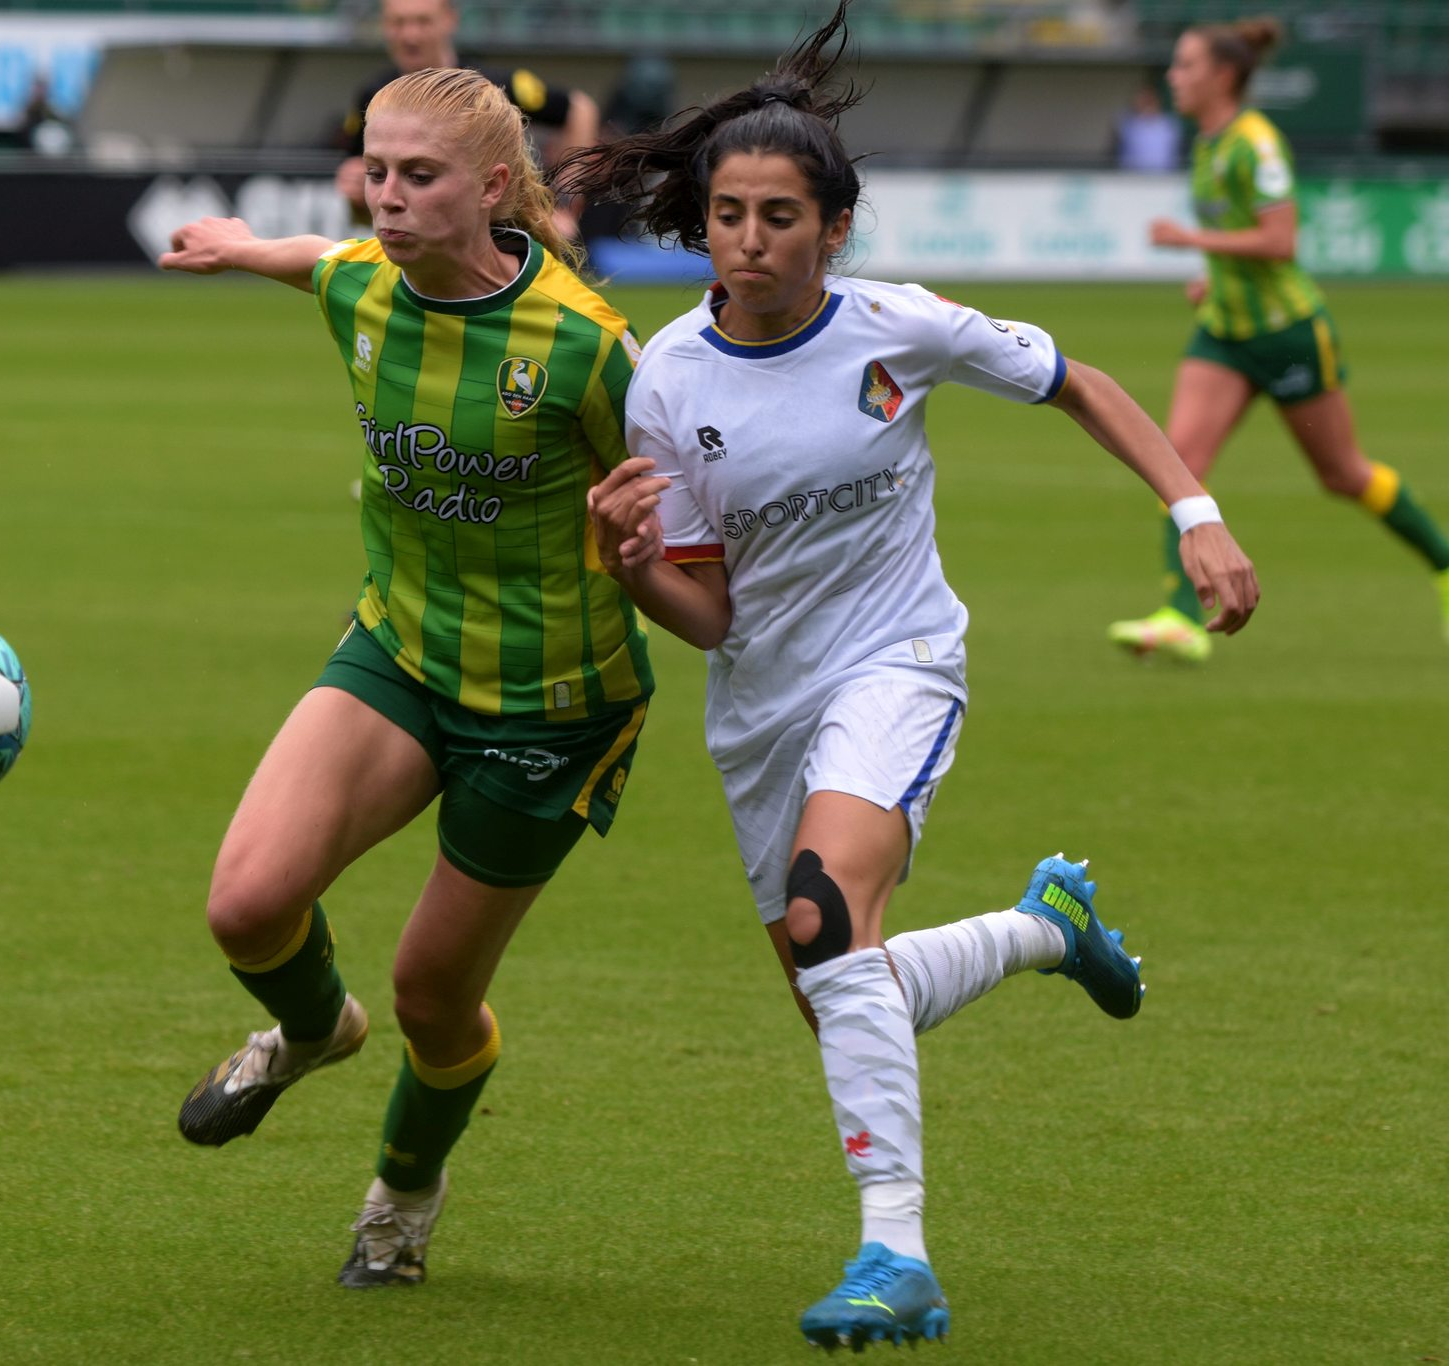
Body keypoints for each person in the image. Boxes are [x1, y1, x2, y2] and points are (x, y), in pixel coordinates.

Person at [560, 2, 1259, 1348]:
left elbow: (1081, 382)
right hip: (758, 703)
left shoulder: (899, 327)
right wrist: (625, 558)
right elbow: (703, 617)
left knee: (830, 926)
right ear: (700, 221)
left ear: (834, 225)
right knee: (844, 985)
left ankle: (896, 1255)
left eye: (779, 216)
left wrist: (1197, 516)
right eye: (727, 215)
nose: (750, 241)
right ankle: (1048, 928)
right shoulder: (666, 382)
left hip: (897, 664)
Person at [158, 66, 652, 1289]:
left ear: (493, 188)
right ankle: (316, 1029)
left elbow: (691, 498)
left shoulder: (588, 347)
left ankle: (402, 1198)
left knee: (435, 999)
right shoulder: (362, 288)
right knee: (246, 904)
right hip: (400, 649)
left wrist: (651, 529)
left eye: (419, 177)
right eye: (376, 171)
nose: (387, 198)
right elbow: (316, 259)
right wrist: (237, 245)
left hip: (548, 706)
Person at [1112, 16, 1449, 660]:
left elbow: (1280, 240)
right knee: (1175, 464)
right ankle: (1181, 616)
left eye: (1185, 66)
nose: (1173, 77)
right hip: (1225, 335)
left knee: (1344, 474)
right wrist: (1212, 280)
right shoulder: (1208, 141)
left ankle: (1444, 563)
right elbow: (1245, 241)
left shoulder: (1256, 144)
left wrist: (1192, 244)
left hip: (1289, 335)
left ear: (1223, 76)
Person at [333, 0, 599, 238]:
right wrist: (355, 190)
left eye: (422, 21)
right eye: (398, 23)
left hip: (503, 240)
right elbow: (362, 198)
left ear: (450, 20)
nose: (410, 35)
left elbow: (579, 109)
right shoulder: (374, 96)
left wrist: (565, 202)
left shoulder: (493, 85)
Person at [1113, 82, 1183, 173]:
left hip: (1166, 179)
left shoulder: (1170, 125)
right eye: (1143, 98)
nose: (1147, 103)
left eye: (1150, 98)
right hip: (1132, 179)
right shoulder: (1128, 124)